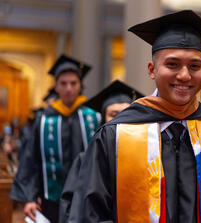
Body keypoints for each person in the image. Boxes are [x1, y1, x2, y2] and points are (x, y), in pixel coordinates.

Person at [67, 10, 201, 223]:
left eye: (195, 66)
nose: (185, 75)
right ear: (152, 70)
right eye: (172, 64)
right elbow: (89, 215)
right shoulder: (115, 136)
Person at [9, 54, 101, 222]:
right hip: (51, 198)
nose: (68, 88)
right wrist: (30, 197)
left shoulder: (93, 118)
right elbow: (31, 160)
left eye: (73, 83)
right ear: (55, 87)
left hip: (86, 197)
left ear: (80, 86)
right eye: (63, 83)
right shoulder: (44, 120)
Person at [59, 80, 144, 223]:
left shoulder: (147, 157)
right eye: (113, 114)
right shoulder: (85, 159)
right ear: (103, 120)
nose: (120, 120)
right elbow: (70, 207)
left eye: (127, 113)